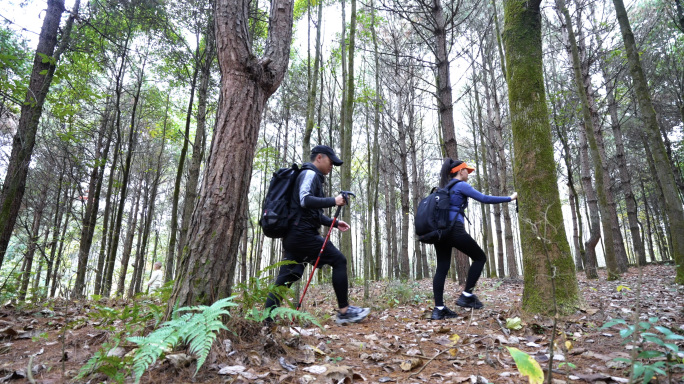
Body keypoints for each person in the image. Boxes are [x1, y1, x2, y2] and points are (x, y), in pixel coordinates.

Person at [264, 145, 370, 325]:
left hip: (294, 236)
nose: (332, 166)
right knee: (339, 260)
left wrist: (334, 223)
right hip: (302, 235)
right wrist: (333, 200)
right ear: (319, 157)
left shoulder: (312, 176)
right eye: (331, 161)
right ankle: (344, 312)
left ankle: (266, 319)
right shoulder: (310, 174)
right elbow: (305, 200)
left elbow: (310, 213)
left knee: (288, 276)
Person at [430, 158, 518, 320]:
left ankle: (439, 309)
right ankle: (466, 295)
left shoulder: (444, 189)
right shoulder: (461, 185)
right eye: (467, 171)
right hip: (454, 229)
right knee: (480, 257)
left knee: (442, 268)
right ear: (460, 171)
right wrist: (510, 198)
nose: (468, 174)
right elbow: (484, 198)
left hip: (439, 232)